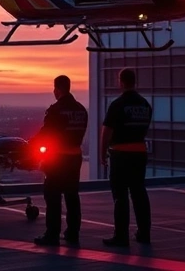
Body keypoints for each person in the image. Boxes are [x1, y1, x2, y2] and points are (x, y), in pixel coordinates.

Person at [33, 75, 88, 247]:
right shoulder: (81, 110)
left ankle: (52, 234)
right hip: (75, 157)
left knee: (53, 196)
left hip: (57, 159)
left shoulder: (55, 110)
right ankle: (73, 232)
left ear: (57, 89)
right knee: (72, 196)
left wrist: (30, 145)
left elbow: (46, 133)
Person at [100, 68, 153, 247]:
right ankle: (144, 233)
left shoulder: (117, 104)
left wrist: (102, 153)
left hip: (120, 155)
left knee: (120, 195)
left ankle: (121, 235)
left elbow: (106, 132)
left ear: (121, 82)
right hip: (139, 153)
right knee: (139, 193)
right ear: (134, 82)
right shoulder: (145, 105)